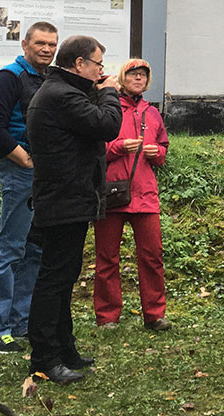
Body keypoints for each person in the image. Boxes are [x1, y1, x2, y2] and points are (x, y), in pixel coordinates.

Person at [25, 34, 122, 385]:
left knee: (64, 277)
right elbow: (108, 125)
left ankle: (64, 348)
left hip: (68, 198)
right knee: (54, 280)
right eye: (97, 65)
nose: (100, 72)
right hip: (63, 199)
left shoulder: (61, 91)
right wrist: (109, 92)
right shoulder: (62, 95)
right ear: (79, 64)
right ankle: (44, 358)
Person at [0, 20, 56, 353]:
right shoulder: (8, 77)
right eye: (40, 43)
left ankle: (20, 321)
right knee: (11, 249)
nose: (47, 49)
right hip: (20, 171)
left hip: (45, 174)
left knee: (35, 249)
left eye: (52, 44)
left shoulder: (48, 79)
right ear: (25, 44)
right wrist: (22, 158)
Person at [94, 58, 171, 332]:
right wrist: (119, 147)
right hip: (112, 191)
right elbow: (95, 150)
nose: (138, 78)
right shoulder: (107, 108)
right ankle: (107, 316)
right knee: (107, 257)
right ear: (121, 78)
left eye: (143, 75)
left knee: (152, 256)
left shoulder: (153, 113)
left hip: (145, 194)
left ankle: (155, 314)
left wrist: (157, 152)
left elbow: (163, 149)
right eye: (133, 74)